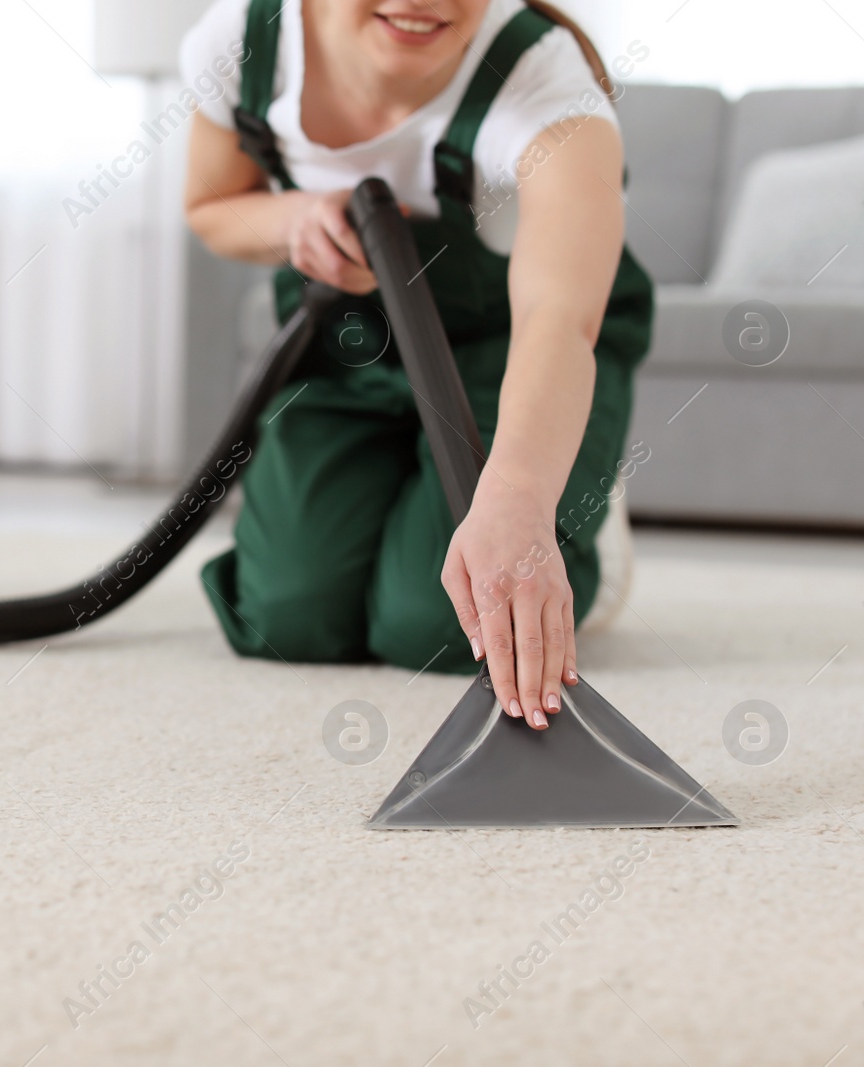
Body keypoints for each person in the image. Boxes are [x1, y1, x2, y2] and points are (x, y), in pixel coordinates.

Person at [181, 0, 653, 729]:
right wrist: (295, 220)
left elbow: (557, 319)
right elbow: (213, 204)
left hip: (512, 355)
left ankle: (581, 526)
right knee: (288, 615)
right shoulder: (247, 43)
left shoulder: (542, 83)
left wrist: (521, 500)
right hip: (349, 339)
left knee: (434, 628)